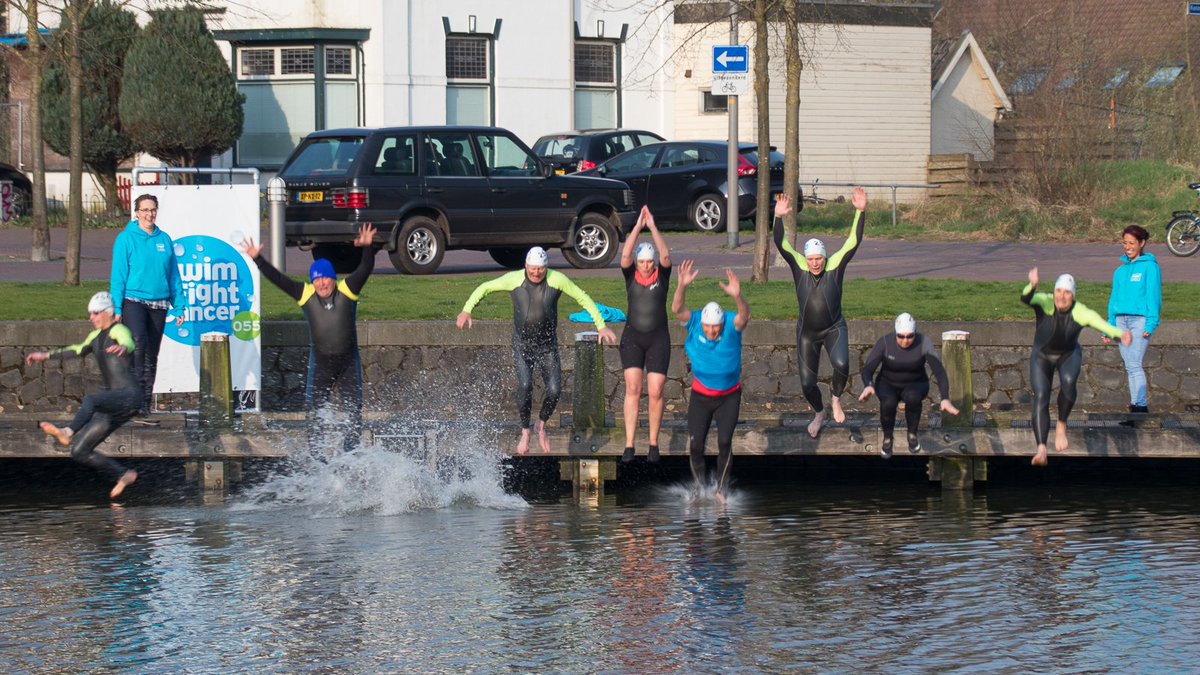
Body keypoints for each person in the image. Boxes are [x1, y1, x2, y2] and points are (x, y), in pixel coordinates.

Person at [457, 247, 617, 454]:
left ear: (546, 267)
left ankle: (540, 424)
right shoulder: (513, 279)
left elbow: (583, 297)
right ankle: (525, 430)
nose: (536, 273)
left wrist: (601, 325)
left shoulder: (556, 279)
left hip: (547, 346)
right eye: (533, 269)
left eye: (540, 269)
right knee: (525, 385)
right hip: (522, 345)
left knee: (554, 389)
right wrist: (467, 309)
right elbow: (485, 287)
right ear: (526, 266)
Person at [239, 224, 376, 453]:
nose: (321, 283)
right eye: (317, 279)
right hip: (321, 362)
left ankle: (352, 453)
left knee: (354, 410)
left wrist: (367, 247)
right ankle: (316, 455)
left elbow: (366, 267)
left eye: (325, 279)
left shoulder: (347, 290)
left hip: (348, 364)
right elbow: (278, 279)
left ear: (333, 278)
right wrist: (258, 259)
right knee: (314, 409)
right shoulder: (305, 294)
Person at [772, 188, 868, 439]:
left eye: (819, 259)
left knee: (842, 364)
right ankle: (818, 413)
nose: (815, 263)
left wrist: (860, 212)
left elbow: (852, 242)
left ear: (825, 258)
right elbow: (781, 243)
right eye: (811, 259)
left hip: (834, 327)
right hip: (807, 333)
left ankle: (835, 399)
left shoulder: (835, 266)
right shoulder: (799, 266)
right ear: (806, 258)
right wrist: (778, 217)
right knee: (806, 383)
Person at [28, 292, 139, 498]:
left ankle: (68, 432)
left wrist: (123, 347)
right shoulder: (95, 337)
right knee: (79, 451)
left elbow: (129, 342)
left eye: (95, 313)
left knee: (90, 399)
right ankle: (124, 474)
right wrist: (45, 356)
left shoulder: (119, 329)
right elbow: (77, 349)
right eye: (90, 314)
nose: (91, 318)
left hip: (129, 396)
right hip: (113, 404)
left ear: (108, 312)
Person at [1022, 268, 1131, 467]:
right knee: (1041, 396)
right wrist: (1033, 285)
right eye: (1059, 292)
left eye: (1067, 293)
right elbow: (1026, 298)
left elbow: (1102, 325)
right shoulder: (1045, 301)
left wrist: (1120, 335)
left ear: (1073, 296)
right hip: (1042, 356)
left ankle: (1062, 424)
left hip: (1068, 354)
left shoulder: (1081, 311)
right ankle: (1042, 448)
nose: (1061, 297)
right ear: (1053, 292)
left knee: (1069, 383)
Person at [671, 260, 750, 504]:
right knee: (696, 444)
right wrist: (681, 286)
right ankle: (698, 487)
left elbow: (744, 316)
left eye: (715, 328)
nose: (711, 332)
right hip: (701, 397)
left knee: (724, 440)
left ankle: (721, 490)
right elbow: (676, 309)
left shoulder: (730, 325)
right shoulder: (694, 322)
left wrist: (738, 297)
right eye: (708, 327)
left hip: (728, 396)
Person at [110, 194, 187, 421]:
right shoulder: (125, 239)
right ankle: (130, 400)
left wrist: (180, 306)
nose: (149, 214)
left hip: (159, 304)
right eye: (144, 210)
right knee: (138, 345)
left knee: (152, 355)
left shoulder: (165, 240)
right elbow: (118, 276)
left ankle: (143, 404)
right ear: (136, 213)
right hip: (134, 301)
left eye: (152, 209)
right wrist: (116, 307)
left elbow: (174, 276)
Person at [858, 312, 960, 458]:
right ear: (896, 334)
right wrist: (868, 385)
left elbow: (939, 372)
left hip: (916, 383)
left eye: (909, 336)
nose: (905, 340)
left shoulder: (924, 342)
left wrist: (945, 398)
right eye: (901, 336)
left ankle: (912, 433)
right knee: (889, 402)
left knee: (912, 398)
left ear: (915, 333)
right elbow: (868, 369)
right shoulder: (885, 343)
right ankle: (888, 438)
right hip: (888, 383)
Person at [619, 206, 672, 463]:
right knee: (633, 387)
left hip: (658, 338)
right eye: (643, 262)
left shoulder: (662, 277)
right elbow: (625, 254)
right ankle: (629, 445)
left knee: (656, 390)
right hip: (632, 337)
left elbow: (664, 254)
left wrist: (652, 227)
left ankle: (652, 443)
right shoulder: (630, 276)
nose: (646, 265)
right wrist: (637, 228)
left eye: (649, 262)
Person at [1104, 225, 1162, 415]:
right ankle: (1135, 406)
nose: (1127, 246)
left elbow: (1154, 297)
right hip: (1121, 322)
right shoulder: (1119, 272)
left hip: (1139, 322)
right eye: (1125, 243)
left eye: (1131, 243)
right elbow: (1114, 301)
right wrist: (1109, 327)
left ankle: (1140, 408)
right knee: (1129, 366)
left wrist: (1151, 323)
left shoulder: (1150, 267)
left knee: (1135, 364)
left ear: (1141, 243)